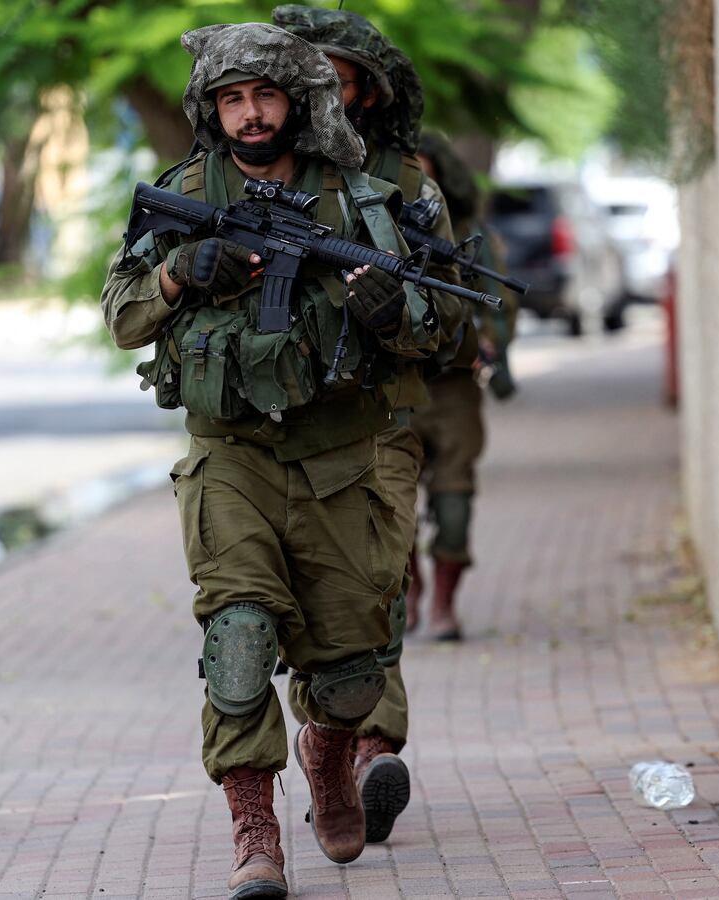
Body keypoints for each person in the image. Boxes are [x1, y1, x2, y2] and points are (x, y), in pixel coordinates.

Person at [100, 22, 441, 900]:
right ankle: (255, 832)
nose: (250, 116)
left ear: (299, 100)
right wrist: (183, 274)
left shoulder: (369, 200)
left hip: (341, 460)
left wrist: (393, 316)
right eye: (231, 99)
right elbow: (125, 315)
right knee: (240, 637)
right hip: (231, 460)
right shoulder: (181, 195)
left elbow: (451, 328)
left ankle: (326, 761)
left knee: (354, 674)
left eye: (266, 96)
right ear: (211, 108)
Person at [272, 3, 473, 846]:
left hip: (379, 419)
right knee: (288, 606)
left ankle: (369, 748)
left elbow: (451, 322)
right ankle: (327, 739)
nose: (325, 96)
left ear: (368, 92)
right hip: (272, 429)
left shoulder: (406, 184)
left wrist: (400, 311)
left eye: (340, 82)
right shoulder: (257, 168)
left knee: (374, 586)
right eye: (309, 82)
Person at [408, 130, 519, 639]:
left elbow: (499, 305)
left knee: (454, 502)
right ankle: (407, 597)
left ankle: (444, 604)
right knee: (387, 502)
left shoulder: (468, 232)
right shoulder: (368, 224)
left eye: (423, 164)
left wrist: (487, 342)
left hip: (453, 389)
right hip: (391, 390)